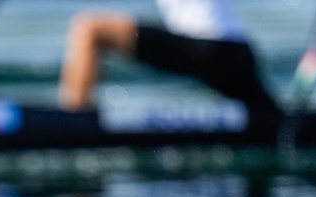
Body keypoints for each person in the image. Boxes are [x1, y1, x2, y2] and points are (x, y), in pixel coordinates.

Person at [58, 0, 280, 118]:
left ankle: (73, 122)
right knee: (270, 120)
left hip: (213, 49)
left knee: (90, 30)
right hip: (230, 53)